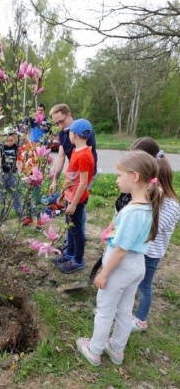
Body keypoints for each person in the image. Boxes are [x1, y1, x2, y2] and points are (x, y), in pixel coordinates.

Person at [76, 150, 161, 366]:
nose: (117, 179)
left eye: (120, 175)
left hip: (120, 267)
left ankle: (94, 350)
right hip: (137, 266)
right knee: (124, 310)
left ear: (134, 177)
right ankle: (116, 350)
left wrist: (104, 274)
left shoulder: (132, 211)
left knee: (105, 310)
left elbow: (121, 250)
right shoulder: (148, 206)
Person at [132, 157, 180, 331]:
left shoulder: (171, 205)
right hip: (140, 249)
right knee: (134, 281)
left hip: (151, 254)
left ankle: (141, 320)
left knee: (144, 286)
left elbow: (153, 228)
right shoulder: (151, 198)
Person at [51, 119, 95, 273]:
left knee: (76, 231)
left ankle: (77, 260)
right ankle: (69, 253)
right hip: (70, 197)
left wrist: (74, 204)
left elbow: (83, 183)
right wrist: (63, 195)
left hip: (77, 199)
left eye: (69, 131)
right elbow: (71, 177)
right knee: (70, 228)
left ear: (74, 134)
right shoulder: (76, 151)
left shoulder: (84, 155)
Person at [16, 126, 42, 231]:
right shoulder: (20, 148)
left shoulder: (36, 146)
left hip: (35, 178)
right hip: (25, 178)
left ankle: (39, 220)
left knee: (37, 200)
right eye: (20, 133)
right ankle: (29, 217)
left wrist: (36, 177)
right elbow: (18, 163)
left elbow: (40, 162)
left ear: (29, 133)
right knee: (26, 198)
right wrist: (23, 176)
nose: (22, 136)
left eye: (24, 133)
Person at [0, 128, 21, 218]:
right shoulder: (2, 146)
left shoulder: (17, 147)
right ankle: (1, 213)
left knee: (16, 193)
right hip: (3, 172)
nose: (8, 143)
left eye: (11, 140)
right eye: (6, 141)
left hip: (13, 172)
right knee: (1, 193)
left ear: (14, 138)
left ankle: (18, 210)